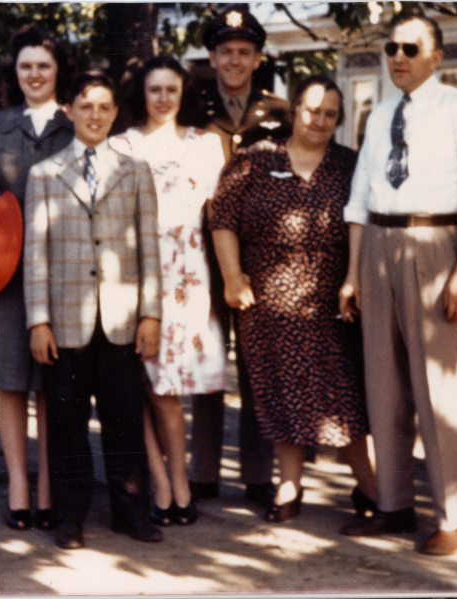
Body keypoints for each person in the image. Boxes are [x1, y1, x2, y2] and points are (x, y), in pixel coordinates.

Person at [338, 14, 457, 555]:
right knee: (383, 385)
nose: (398, 57)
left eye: (411, 48)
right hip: (378, 249)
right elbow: (359, 200)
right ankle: (393, 505)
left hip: (435, 246)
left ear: (437, 57)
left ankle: (452, 517)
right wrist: (352, 273)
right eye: (391, 47)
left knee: (439, 390)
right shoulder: (379, 113)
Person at [209, 76, 377, 523]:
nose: (319, 120)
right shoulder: (254, 159)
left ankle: (372, 486)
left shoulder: (350, 165)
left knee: (344, 397)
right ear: (294, 111)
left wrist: (356, 279)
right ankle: (289, 487)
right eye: (311, 110)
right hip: (268, 302)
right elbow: (221, 217)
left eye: (330, 114)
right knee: (281, 393)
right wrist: (231, 276)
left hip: (333, 301)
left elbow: (365, 222)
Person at [24, 72, 164, 550]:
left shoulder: (134, 169)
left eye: (105, 107)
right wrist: (38, 320)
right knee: (66, 422)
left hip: (122, 318)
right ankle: (70, 518)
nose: (96, 115)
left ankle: (131, 513)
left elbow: (148, 247)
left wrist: (151, 314)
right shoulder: (44, 174)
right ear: (70, 110)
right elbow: (36, 254)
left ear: (114, 113)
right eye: (87, 106)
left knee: (124, 417)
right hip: (65, 321)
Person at [0, 25, 73, 532]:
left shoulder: (78, 123)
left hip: (62, 273)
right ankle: (17, 486)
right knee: (9, 380)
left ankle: (47, 486)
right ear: (15, 71)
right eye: (26, 66)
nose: (34, 75)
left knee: (50, 382)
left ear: (57, 70)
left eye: (43, 66)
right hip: (5, 268)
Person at [112, 56, 227, 527]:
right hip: (130, 272)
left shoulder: (206, 145)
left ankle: (178, 485)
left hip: (186, 277)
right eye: (154, 89)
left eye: (171, 90)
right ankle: (164, 485)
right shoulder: (122, 144)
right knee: (133, 388)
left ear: (184, 94)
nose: (162, 99)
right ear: (142, 92)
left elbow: (220, 217)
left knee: (167, 389)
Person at [190, 7, 294, 509]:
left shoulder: (280, 112)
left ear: (258, 58)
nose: (234, 60)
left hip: (261, 258)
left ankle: (257, 474)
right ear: (212, 57)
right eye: (226, 51)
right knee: (207, 360)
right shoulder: (191, 105)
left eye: (244, 53)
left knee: (258, 367)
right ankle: (203, 471)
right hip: (199, 253)